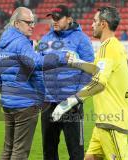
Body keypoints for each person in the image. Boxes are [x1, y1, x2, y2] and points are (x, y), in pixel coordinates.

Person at [52, 6, 128, 160]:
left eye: (95, 21)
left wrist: (69, 102)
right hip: (104, 121)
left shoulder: (108, 47)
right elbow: (97, 70)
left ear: (104, 24)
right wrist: (77, 62)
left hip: (112, 121)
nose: (91, 25)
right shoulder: (114, 46)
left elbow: (99, 82)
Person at [0, 7, 68, 160]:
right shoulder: (21, 42)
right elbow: (35, 63)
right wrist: (60, 58)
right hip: (24, 104)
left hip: (8, 102)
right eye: (28, 22)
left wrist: (8, 92)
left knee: (8, 148)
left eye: (33, 22)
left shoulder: (3, 42)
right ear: (16, 23)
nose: (32, 25)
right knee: (20, 151)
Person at [38, 4, 94, 160]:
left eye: (58, 18)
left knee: (76, 152)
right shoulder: (45, 39)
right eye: (52, 18)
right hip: (48, 103)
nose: (54, 21)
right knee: (48, 151)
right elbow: (37, 67)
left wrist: (75, 97)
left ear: (69, 19)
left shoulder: (82, 39)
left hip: (71, 104)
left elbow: (89, 70)